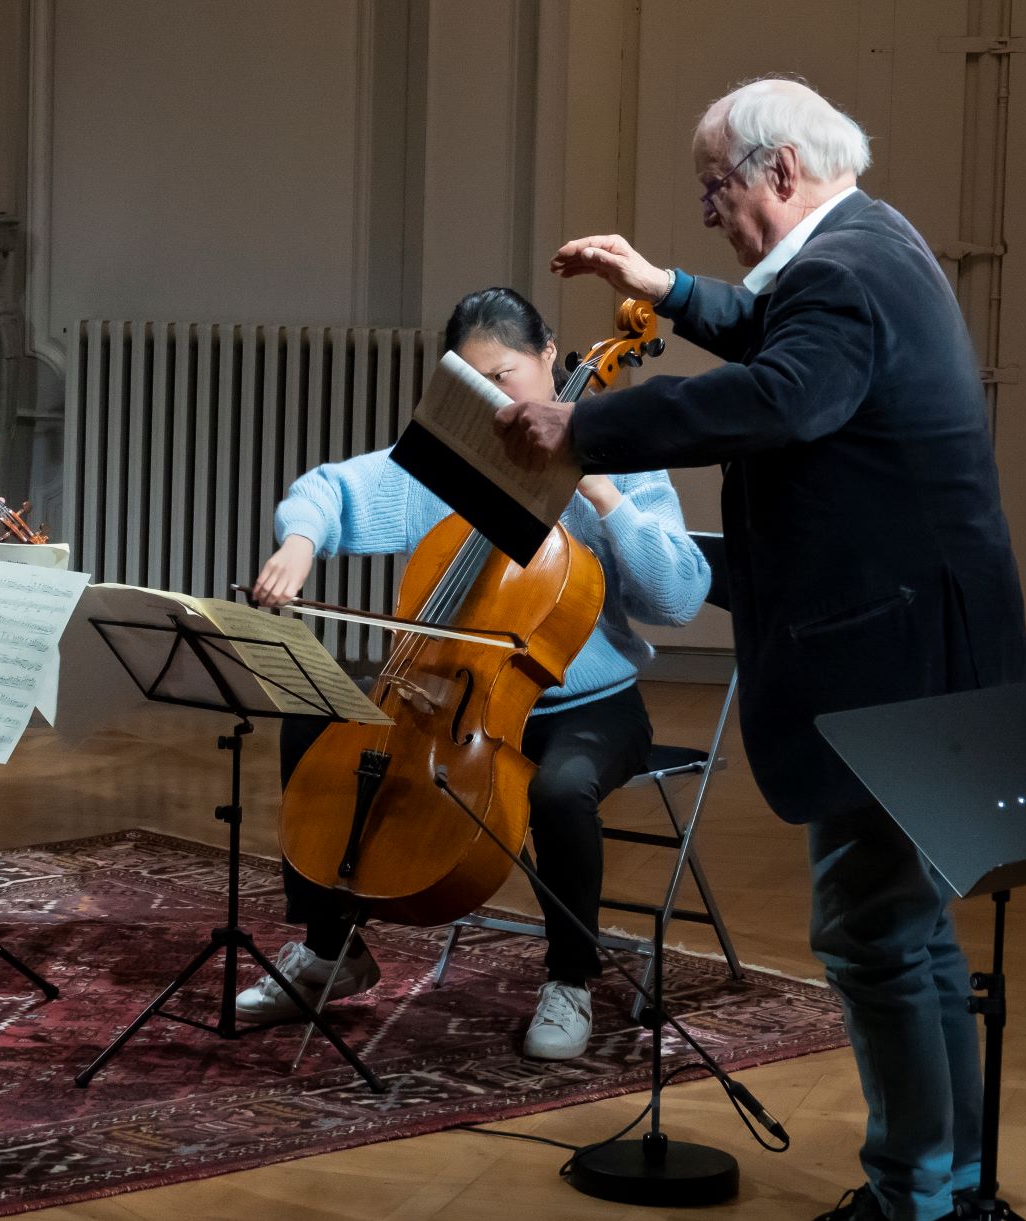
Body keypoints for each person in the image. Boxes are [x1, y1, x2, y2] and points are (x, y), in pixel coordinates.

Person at [496, 78, 1026, 1221]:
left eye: (714, 191)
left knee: (873, 929)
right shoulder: (873, 244)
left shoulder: (845, 272)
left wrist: (585, 432)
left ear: (779, 171)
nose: (711, 212)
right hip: (929, 646)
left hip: (892, 658)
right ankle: (939, 1194)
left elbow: (792, 392)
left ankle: (911, 1220)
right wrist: (668, 292)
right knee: (908, 932)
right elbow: (774, 322)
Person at [247, 286, 710, 1059]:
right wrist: (299, 540)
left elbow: (681, 595)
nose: (493, 402)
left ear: (549, 356)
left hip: (587, 707)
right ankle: (335, 950)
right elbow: (331, 488)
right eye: (473, 383)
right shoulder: (452, 456)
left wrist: (598, 487)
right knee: (312, 716)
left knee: (560, 787)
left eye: (506, 377)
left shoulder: (622, 454)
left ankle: (570, 977)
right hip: (444, 695)